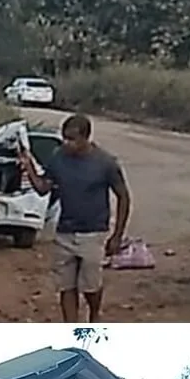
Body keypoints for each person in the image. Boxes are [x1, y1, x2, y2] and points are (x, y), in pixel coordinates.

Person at [19, 114, 132, 324]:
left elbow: (124, 197)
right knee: (66, 285)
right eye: (64, 138)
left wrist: (117, 235)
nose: (67, 144)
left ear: (86, 138)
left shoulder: (105, 163)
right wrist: (29, 168)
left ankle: (94, 315)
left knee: (91, 285)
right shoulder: (58, 158)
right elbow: (43, 188)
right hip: (65, 231)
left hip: (93, 232)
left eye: (72, 139)